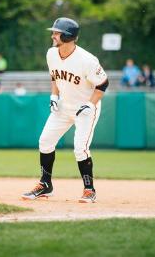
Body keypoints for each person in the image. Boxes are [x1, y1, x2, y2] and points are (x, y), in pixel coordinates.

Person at [22, 17, 109, 203]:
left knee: (80, 148)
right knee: (45, 141)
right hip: (63, 105)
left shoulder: (87, 60)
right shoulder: (51, 54)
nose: (53, 35)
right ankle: (45, 184)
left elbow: (103, 83)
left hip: (85, 109)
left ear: (67, 36)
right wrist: (54, 95)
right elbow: (55, 76)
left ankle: (89, 190)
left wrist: (91, 104)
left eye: (56, 32)